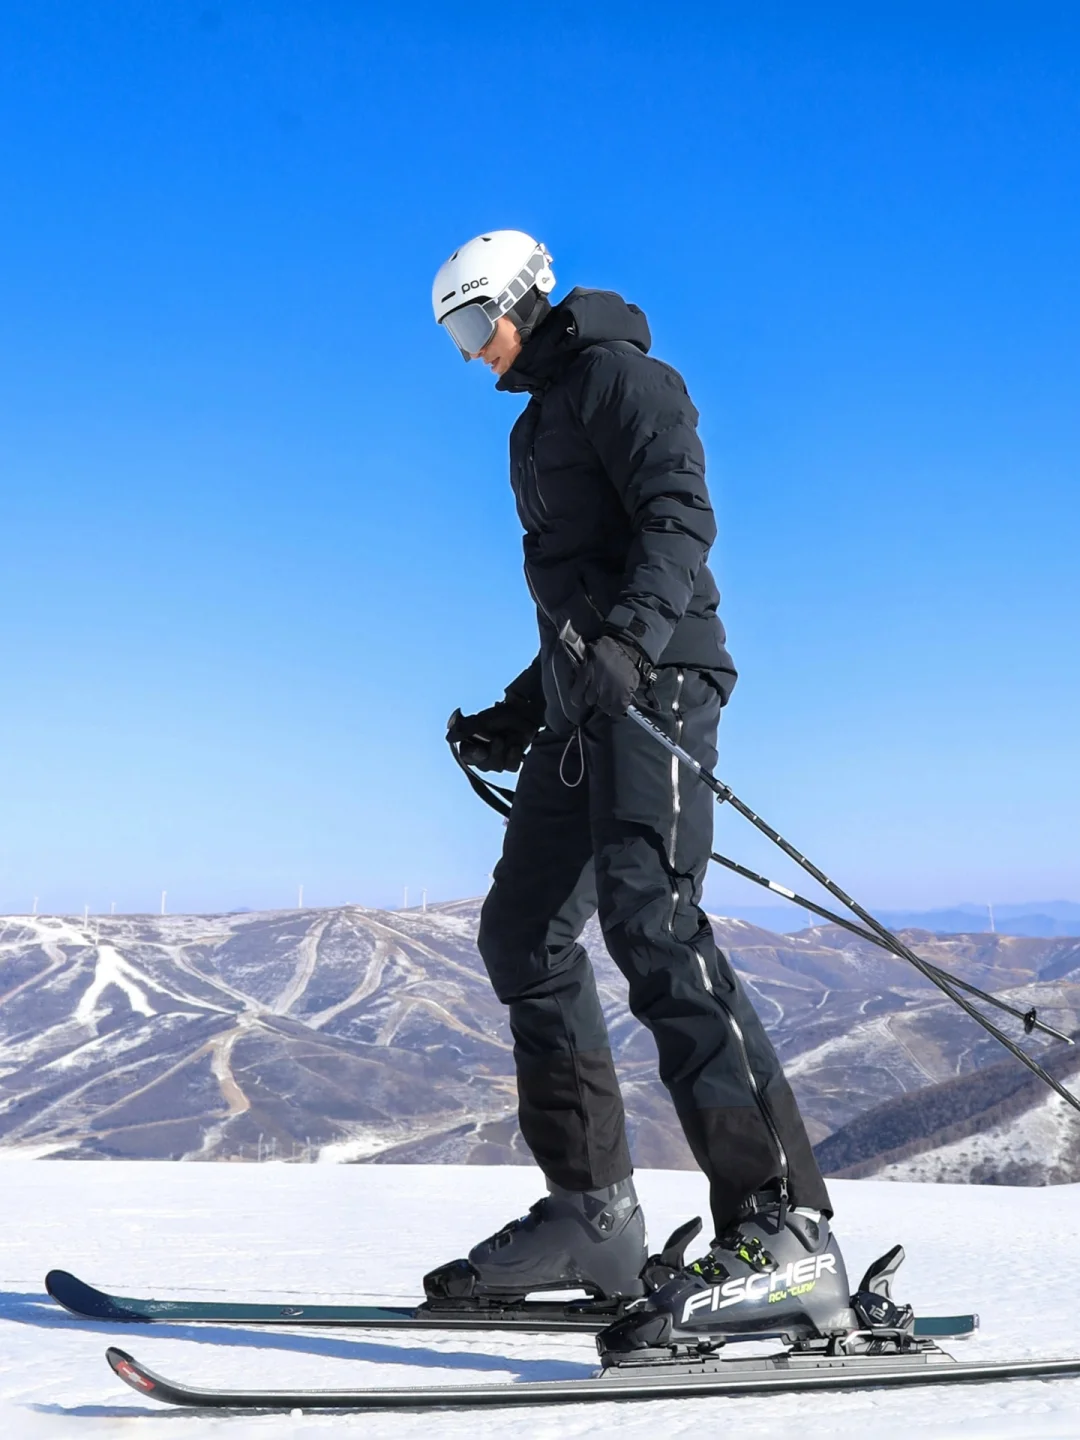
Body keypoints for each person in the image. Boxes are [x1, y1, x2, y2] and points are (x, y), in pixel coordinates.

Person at [425, 230, 851, 1348]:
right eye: (457, 338)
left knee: (652, 920)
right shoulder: (534, 425)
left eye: (477, 326)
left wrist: (632, 646)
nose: (473, 353)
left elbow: (678, 516)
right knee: (523, 933)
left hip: (657, 685)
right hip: (589, 700)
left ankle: (784, 1228)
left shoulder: (623, 377)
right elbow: (578, 598)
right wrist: (524, 708)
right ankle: (595, 1218)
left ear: (523, 299)